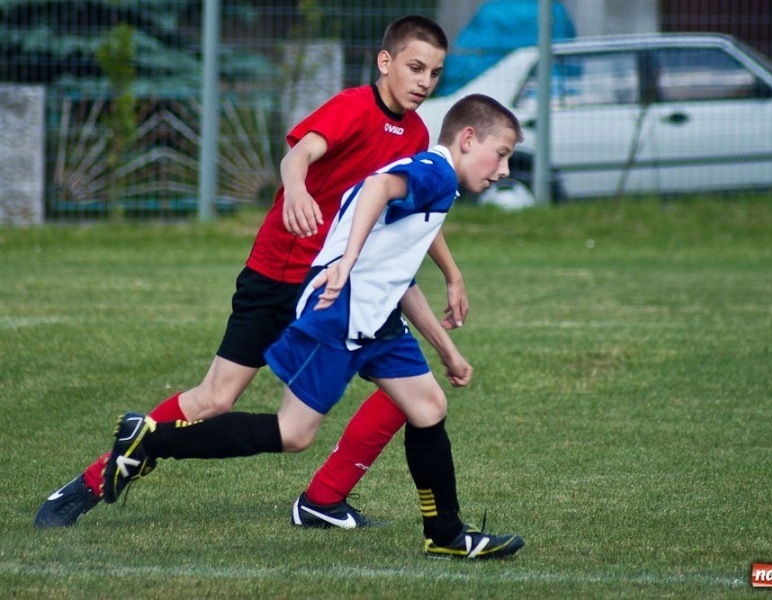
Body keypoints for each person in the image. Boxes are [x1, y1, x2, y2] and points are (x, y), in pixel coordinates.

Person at [35, 15, 463, 529]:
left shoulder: (415, 133)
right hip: (282, 277)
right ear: (385, 62)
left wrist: (452, 274)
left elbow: (414, 212)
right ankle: (93, 479)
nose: (424, 82)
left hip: (340, 289)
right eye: (415, 68)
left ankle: (323, 501)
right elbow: (299, 154)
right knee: (214, 398)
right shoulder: (352, 107)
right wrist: (299, 189)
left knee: (412, 394)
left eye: (434, 74)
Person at [102, 94, 525, 559]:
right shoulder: (436, 171)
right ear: (468, 139)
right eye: (501, 154)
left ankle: (445, 535)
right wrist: (345, 261)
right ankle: (152, 439)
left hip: (377, 316)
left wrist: (447, 350)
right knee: (294, 433)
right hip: (340, 310)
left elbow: (397, 272)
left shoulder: (436, 178)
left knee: (428, 406)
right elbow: (376, 188)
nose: (503, 169)